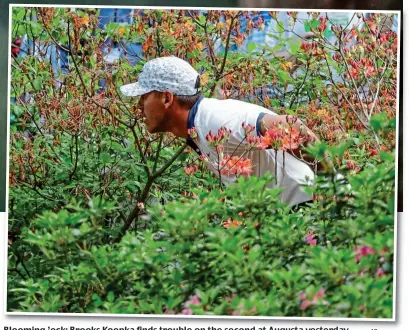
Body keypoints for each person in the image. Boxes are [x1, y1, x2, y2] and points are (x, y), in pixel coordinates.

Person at [120, 56, 323, 208]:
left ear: (167, 98)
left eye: (144, 97)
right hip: (289, 212)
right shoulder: (199, 126)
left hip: (309, 205)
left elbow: (292, 126)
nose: (139, 105)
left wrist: (333, 183)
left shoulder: (217, 119)